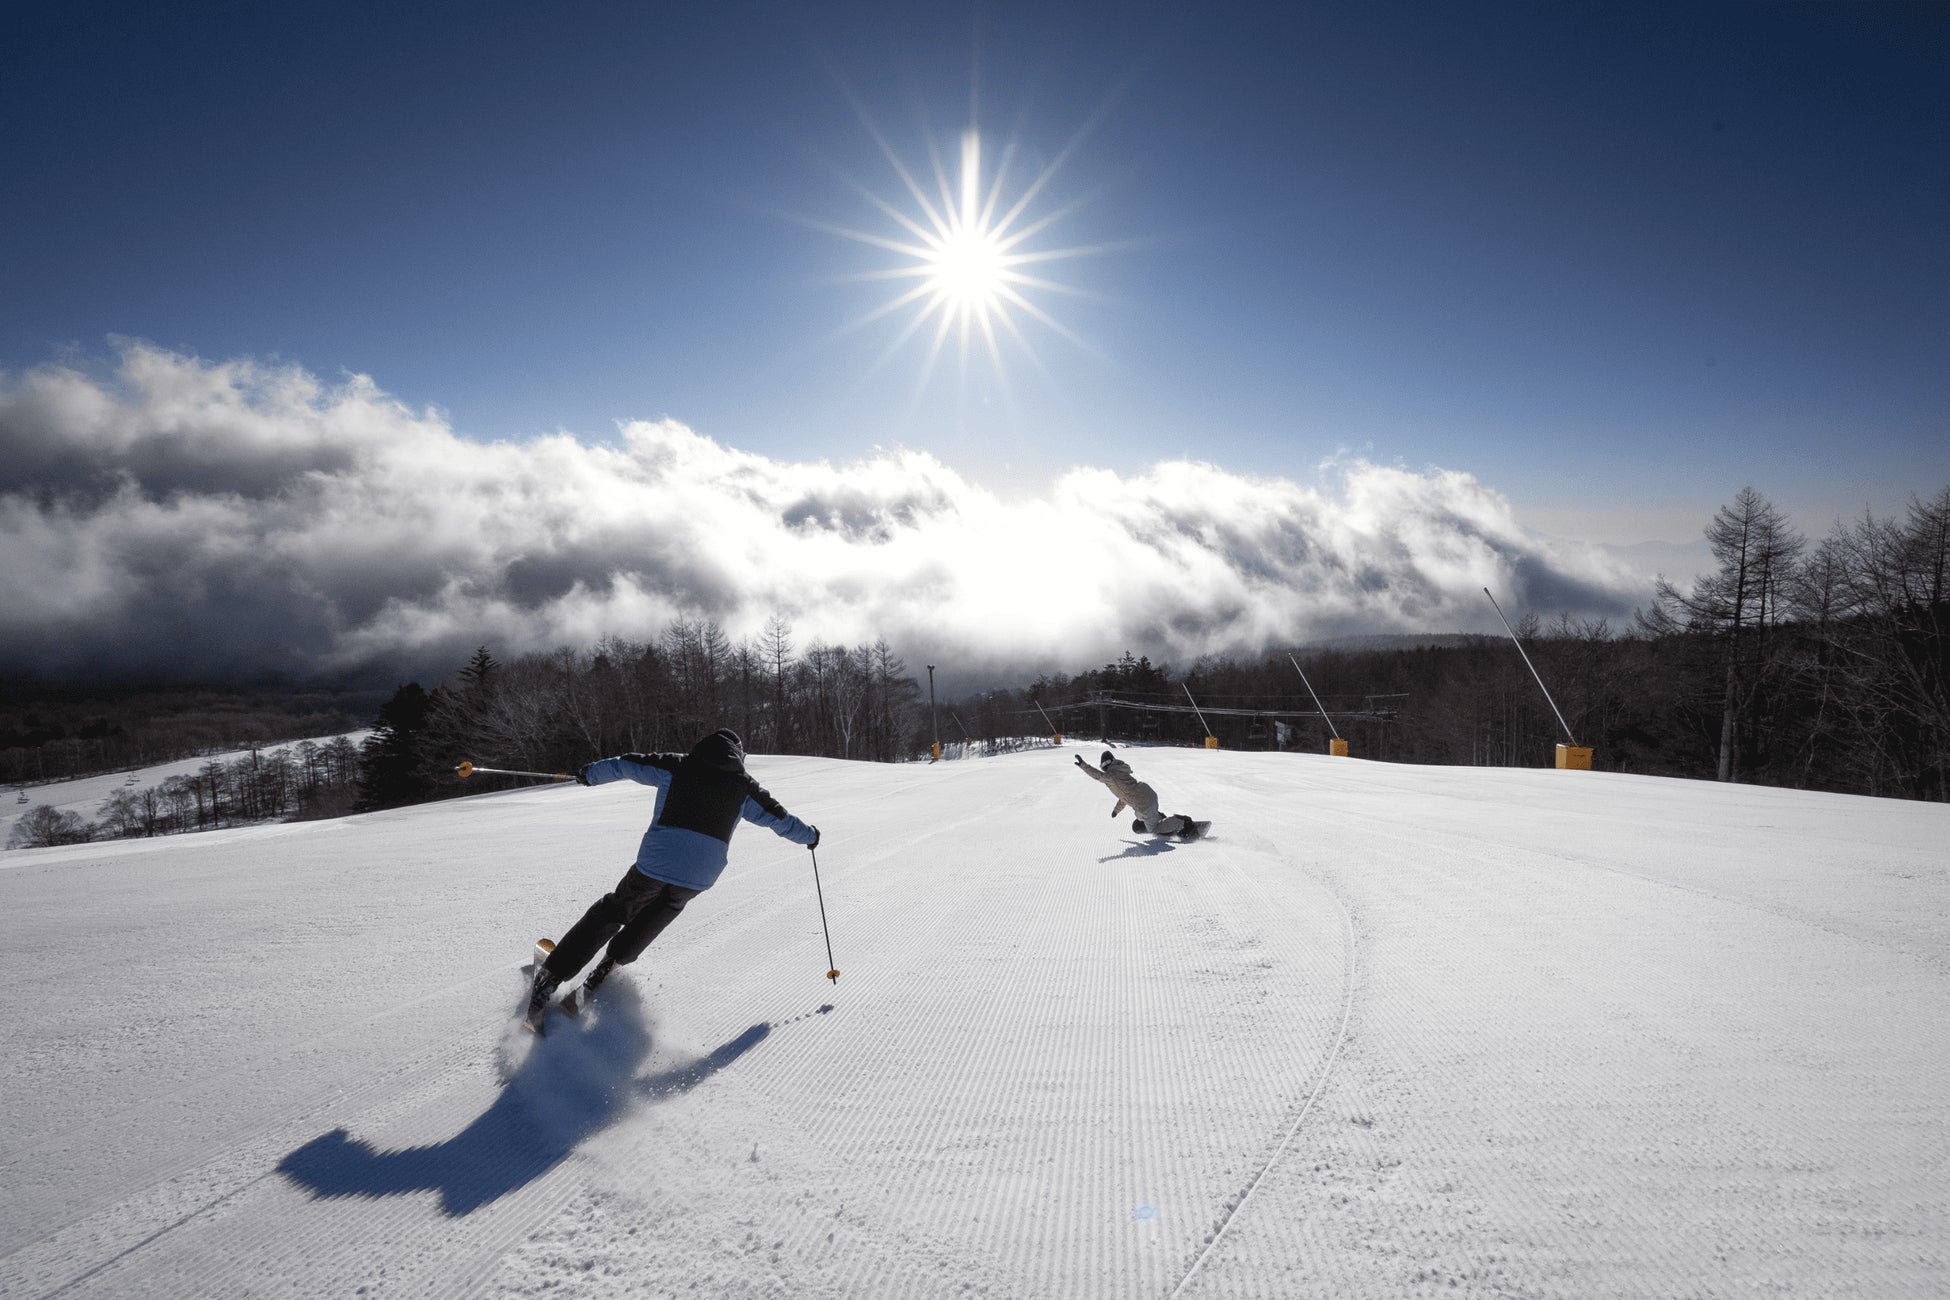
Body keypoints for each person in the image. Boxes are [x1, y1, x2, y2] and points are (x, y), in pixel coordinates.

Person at [527, 728, 819, 1023]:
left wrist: (588, 774)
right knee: (660, 910)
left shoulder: (677, 764)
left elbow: (626, 763)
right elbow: (781, 819)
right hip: (699, 874)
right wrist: (810, 837)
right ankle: (605, 969)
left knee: (614, 910)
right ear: (739, 755)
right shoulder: (745, 787)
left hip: (657, 861)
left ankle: (550, 978)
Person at [1072, 750, 1197, 838]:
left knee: (1154, 830)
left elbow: (1098, 776)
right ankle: (1158, 817)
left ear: (1108, 765)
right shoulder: (1119, 772)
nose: (1104, 768)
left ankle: (1183, 823)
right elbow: (1124, 797)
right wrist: (1116, 810)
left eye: (1104, 765)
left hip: (1143, 803)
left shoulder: (1111, 775)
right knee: (1140, 819)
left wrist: (1083, 765)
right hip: (1147, 794)